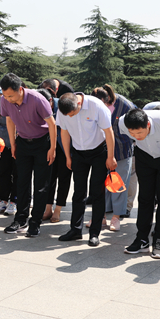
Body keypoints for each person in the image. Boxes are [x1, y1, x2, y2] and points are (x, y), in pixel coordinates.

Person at [120, 109, 160, 259]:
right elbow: (131, 136)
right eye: (132, 133)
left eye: (139, 133)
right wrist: (138, 139)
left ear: (148, 124)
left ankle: (159, 240)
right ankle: (141, 239)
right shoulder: (123, 122)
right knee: (145, 197)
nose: (136, 136)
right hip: (144, 155)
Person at [56, 92, 117, 246]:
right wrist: (68, 156)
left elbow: (109, 132)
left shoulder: (96, 106)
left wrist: (110, 157)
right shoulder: (63, 108)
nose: (69, 117)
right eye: (67, 115)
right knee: (78, 192)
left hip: (98, 152)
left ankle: (95, 232)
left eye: (72, 114)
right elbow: (64, 132)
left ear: (78, 103)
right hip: (78, 153)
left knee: (97, 192)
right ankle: (75, 230)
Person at [0, 73, 56, 237]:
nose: (8, 99)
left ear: (20, 89)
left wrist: (52, 148)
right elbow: (9, 121)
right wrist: (13, 144)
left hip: (42, 143)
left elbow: (52, 124)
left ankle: (35, 222)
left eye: (10, 95)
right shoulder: (5, 100)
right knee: (22, 182)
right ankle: (20, 219)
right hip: (23, 142)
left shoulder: (37, 99)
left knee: (40, 185)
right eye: (5, 95)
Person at [91, 84, 136, 231]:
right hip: (101, 150)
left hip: (122, 149)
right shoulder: (94, 105)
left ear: (108, 98)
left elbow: (137, 123)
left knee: (118, 184)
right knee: (100, 184)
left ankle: (116, 217)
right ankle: (101, 216)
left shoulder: (125, 106)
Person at [37, 88, 71, 224]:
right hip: (49, 146)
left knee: (64, 177)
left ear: (51, 100)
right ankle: (48, 208)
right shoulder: (37, 105)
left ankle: (58, 209)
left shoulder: (63, 105)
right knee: (49, 177)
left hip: (65, 147)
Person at [0, 95, 18, 216]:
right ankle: (3, 200)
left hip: (16, 147)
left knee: (17, 175)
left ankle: (14, 201)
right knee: (2, 174)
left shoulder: (13, 113)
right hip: (1, 148)